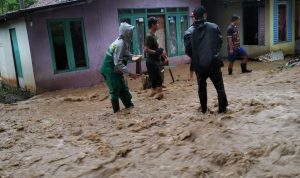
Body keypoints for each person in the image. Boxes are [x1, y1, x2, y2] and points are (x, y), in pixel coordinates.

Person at [184, 6, 228, 113]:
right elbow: (219, 42)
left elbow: (188, 50)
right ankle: (222, 110)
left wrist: (197, 57)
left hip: (199, 66)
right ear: (204, 15)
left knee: (202, 88)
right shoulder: (214, 27)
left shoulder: (188, 32)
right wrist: (213, 54)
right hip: (213, 63)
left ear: (194, 17)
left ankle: (204, 110)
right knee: (219, 87)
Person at [100, 22, 141, 113]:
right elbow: (117, 63)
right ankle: (117, 113)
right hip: (109, 69)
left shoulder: (123, 41)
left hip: (115, 69)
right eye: (130, 31)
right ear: (125, 32)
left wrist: (133, 56)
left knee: (123, 88)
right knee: (115, 90)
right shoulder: (120, 43)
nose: (132, 33)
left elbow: (126, 53)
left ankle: (129, 106)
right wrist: (130, 74)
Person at [144, 17, 168, 100]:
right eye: (156, 23)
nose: (158, 25)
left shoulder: (154, 35)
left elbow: (157, 48)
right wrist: (156, 52)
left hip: (156, 60)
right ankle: (158, 92)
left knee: (156, 76)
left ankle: (156, 91)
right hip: (151, 60)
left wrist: (163, 55)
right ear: (152, 25)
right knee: (156, 77)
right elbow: (146, 49)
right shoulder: (149, 36)